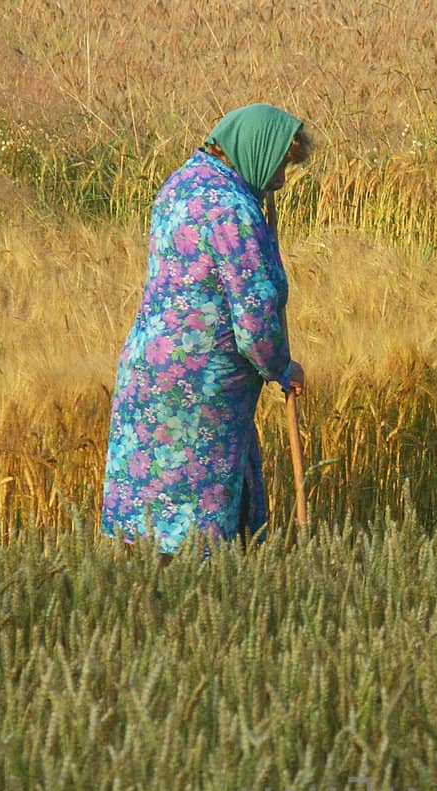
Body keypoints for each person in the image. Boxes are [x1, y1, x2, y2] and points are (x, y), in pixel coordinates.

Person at [101, 104, 309, 564]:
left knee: (151, 519)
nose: (279, 179)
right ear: (254, 149)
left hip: (149, 369)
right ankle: (202, 615)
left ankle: (148, 607)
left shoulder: (181, 184)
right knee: (200, 534)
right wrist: (280, 367)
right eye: (278, 165)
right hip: (200, 391)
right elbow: (254, 321)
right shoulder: (233, 209)